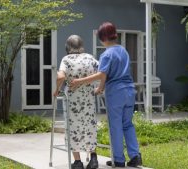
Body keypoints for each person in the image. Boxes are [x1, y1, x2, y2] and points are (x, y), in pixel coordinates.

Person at [70, 22, 142, 168]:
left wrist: (79, 81)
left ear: (102, 37)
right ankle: (135, 156)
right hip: (129, 90)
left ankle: (119, 160)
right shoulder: (123, 50)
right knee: (127, 124)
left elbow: (102, 74)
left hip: (116, 93)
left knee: (115, 126)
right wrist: (101, 88)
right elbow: (105, 77)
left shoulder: (106, 54)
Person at [53, 35, 99, 169]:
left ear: (68, 47)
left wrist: (57, 90)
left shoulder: (66, 59)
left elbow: (61, 76)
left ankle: (78, 162)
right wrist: (100, 87)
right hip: (88, 99)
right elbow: (104, 72)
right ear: (81, 46)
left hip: (72, 100)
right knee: (89, 127)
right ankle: (93, 159)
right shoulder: (90, 58)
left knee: (72, 129)